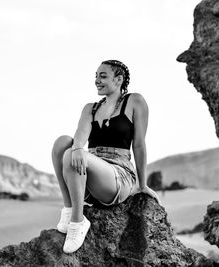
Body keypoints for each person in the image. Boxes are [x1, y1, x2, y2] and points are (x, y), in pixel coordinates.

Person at [51, 60, 160, 254]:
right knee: (62, 144)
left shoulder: (134, 101)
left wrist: (142, 185)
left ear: (119, 79)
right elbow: (80, 136)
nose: (97, 81)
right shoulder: (90, 108)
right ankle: (69, 210)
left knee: (73, 154)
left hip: (117, 176)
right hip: (88, 175)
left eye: (103, 76)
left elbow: (140, 145)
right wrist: (77, 147)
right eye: (95, 76)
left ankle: (78, 222)